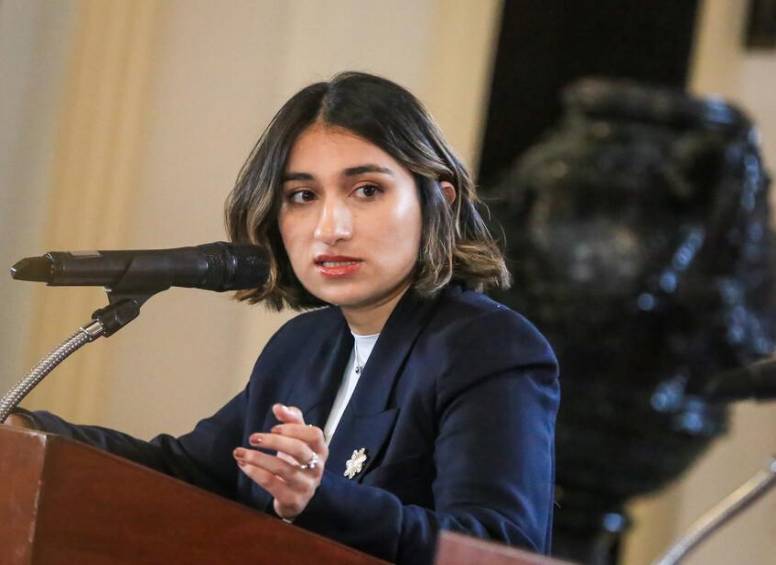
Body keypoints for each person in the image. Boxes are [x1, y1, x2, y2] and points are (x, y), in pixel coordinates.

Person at [4, 72, 559, 565]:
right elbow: (185, 474)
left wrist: (320, 500)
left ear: (440, 201)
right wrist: (31, 433)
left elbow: (496, 549)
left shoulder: (488, 347)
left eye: (366, 190)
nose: (330, 227)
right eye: (302, 195)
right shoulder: (304, 344)